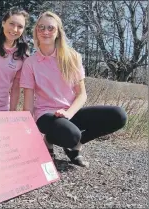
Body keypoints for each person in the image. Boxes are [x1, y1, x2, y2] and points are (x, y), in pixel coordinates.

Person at [20, 11, 127, 167]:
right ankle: (49, 139)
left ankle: (73, 147)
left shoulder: (73, 57)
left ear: (58, 32)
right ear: (36, 31)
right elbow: (28, 104)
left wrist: (69, 113)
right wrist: (25, 131)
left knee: (119, 115)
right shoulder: (30, 63)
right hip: (45, 115)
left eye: (51, 28)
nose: (45, 31)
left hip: (69, 113)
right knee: (71, 135)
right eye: (41, 27)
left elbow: (81, 94)